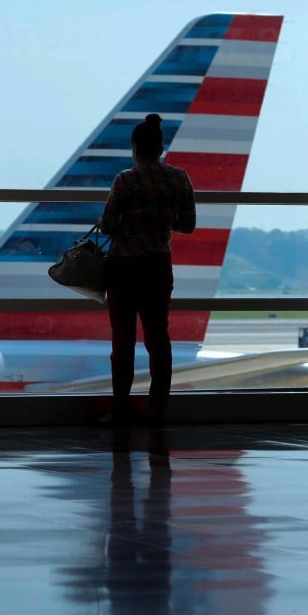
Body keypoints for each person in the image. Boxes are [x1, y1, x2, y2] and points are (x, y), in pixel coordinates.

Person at [99, 113, 196, 425]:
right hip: (157, 265)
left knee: (123, 342)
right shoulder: (179, 178)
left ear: (135, 146)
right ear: (161, 146)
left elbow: (108, 225)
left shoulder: (126, 180)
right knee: (158, 339)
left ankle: (120, 410)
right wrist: (161, 221)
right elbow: (188, 225)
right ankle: (158, 411)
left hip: (124, 267)